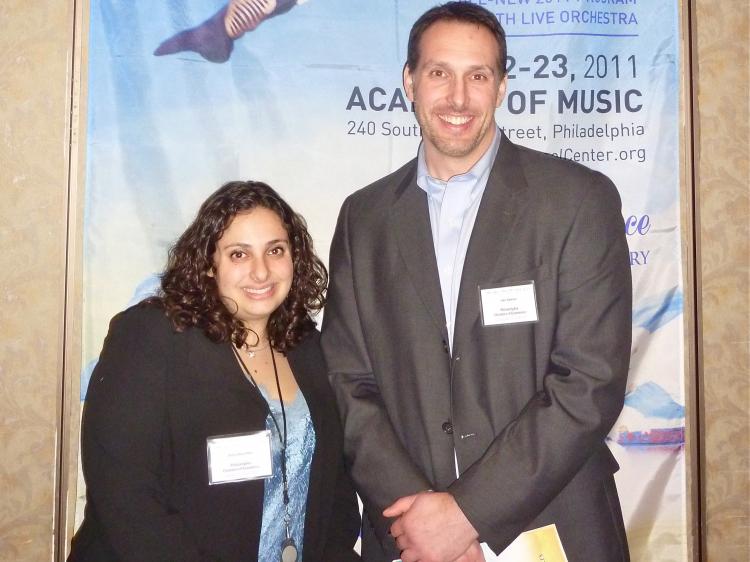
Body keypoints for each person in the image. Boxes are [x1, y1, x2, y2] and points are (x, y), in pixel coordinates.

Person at [321, 3, 632, 562]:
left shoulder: (578, 200)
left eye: (478, 75)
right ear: (409, 82)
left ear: (502, 85)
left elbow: (590, 382)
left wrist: (467, 516)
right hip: (407, 534)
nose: (458, 97)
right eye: (439, 73)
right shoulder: (363, 218)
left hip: (551, 525)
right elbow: (349, 383)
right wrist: (423, 518)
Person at [69, 181, 361, 561]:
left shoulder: (309, 347)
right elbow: (125, 497)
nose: (262, 272)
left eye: (276, 250)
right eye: (239, 254)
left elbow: (333, 492)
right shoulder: (152, 336)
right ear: (209, 263)